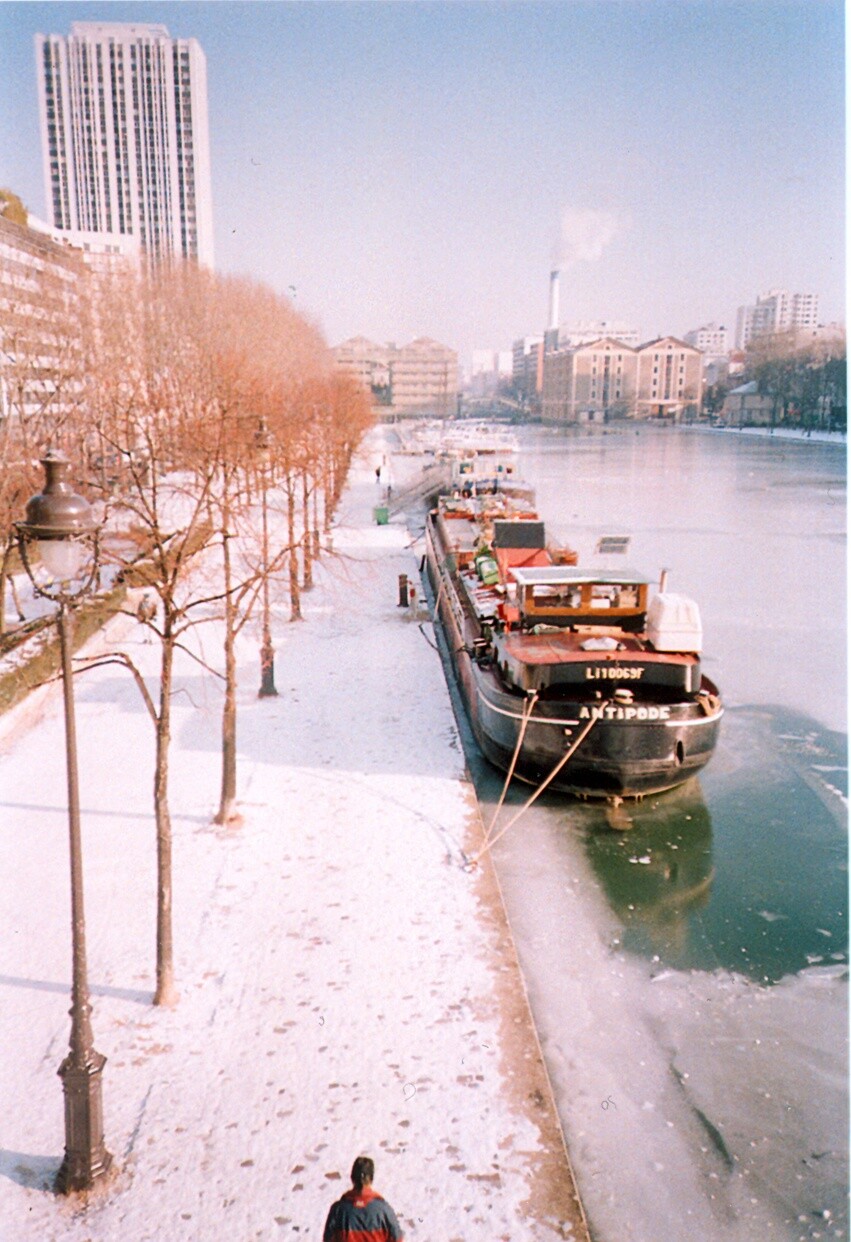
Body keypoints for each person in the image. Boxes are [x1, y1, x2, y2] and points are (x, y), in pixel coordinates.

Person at [323, 1156, 404, 1242]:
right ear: (371, 1179)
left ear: (352, 1178)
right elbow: (397, 1239)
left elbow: (328, 1239)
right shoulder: (384, 1210)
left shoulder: (338, 1210)